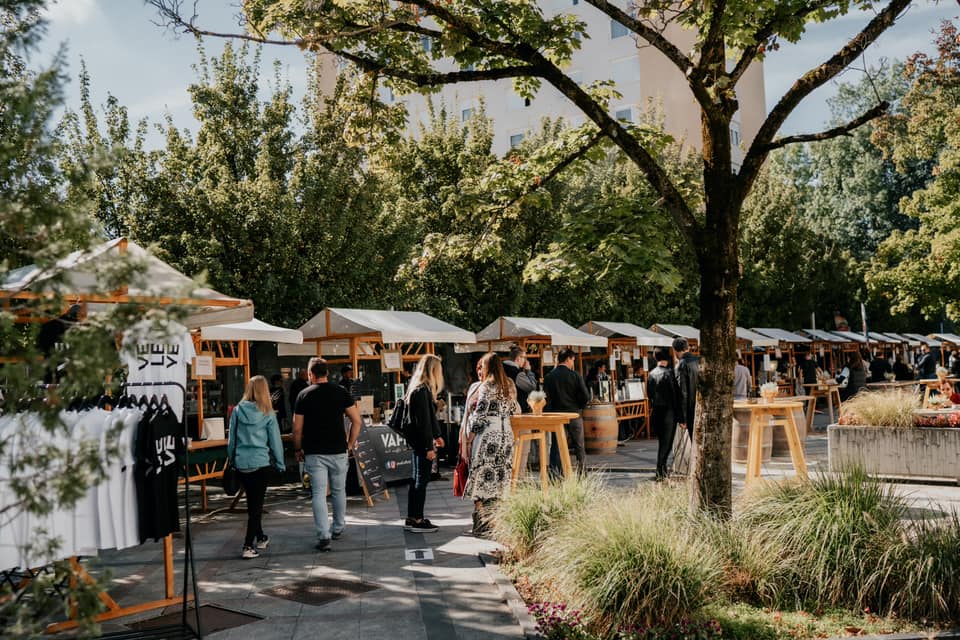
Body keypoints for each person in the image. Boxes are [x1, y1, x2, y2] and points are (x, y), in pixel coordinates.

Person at [293, 357, 362, 552]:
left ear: (310, 374)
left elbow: (297, 429)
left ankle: (323, 534)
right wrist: (349, 443)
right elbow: (356, 421)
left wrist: (297, 449)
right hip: (339, 449)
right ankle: (338, 527)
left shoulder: (303, 395)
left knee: (318, 493)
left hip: (314, 452)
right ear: (327, 373)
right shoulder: (340, 392)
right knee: (339, 490)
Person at [229, 375, 286, 559]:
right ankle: (247, 546)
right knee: (256, 506)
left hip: (241, 464)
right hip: (260, 463)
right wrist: (280, 463)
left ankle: (261, 537)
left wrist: (232, 460)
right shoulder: (267, 412)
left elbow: (232, 440)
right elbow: (275, 441)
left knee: (253, 503)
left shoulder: (237, 411)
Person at [465, 353, 520, 536]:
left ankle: (483, 522)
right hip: (506, 437)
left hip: (489, 436)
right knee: (499, 479)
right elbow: (513, 409)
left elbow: (480, 415)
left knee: (480, 476)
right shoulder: (508, 385)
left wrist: (470, 437)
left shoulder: (486, 385)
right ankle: (496, 523)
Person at [404, 354, 446, 533]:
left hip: (419, 442)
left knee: (416, 480)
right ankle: (417, 519)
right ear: (433, 370)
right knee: (421, 480)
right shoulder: (422, 391)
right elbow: (423, 422)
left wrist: (437, 435)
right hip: (422, 443)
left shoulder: (420, 389)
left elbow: (427, 418)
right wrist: (429, 446)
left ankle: (413, 516)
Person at [543, 348, 590, 475]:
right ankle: (582, 473)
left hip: (556, 415)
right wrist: (579, 407)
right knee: (579, 445)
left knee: (557, 446)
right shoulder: (575, 375)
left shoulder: (549, 377)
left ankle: (556, 474)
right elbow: (586, 397)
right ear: (568, 359)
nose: (573, 363)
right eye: (573, 360)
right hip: (574, 414)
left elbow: (546, 398)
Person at [647, 347, 681, 480]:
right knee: (666, 444)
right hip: (668, 412)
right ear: (667, 358)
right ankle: (660, 471)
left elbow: (649, 394)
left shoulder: (651, 374)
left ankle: (661, 470)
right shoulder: (669, 373)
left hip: (656, 411)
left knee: (662, 442)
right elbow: (674, 395)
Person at [673, 338, 698, 440]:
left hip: (690, 410)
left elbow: (682, 392)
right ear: (688, 347)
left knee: (695, 444)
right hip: (703, 407)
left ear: (675, 350)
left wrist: (682, 418)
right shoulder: (700, 360)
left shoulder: (681, 365)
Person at [502, 346, 538, 413]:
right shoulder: (517, 373)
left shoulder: (501, 369)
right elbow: (532, 386)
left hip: (503, 408)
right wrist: (528, 371)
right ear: (518, 358)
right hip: (517, 410)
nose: (525, 360)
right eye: (524, 357)